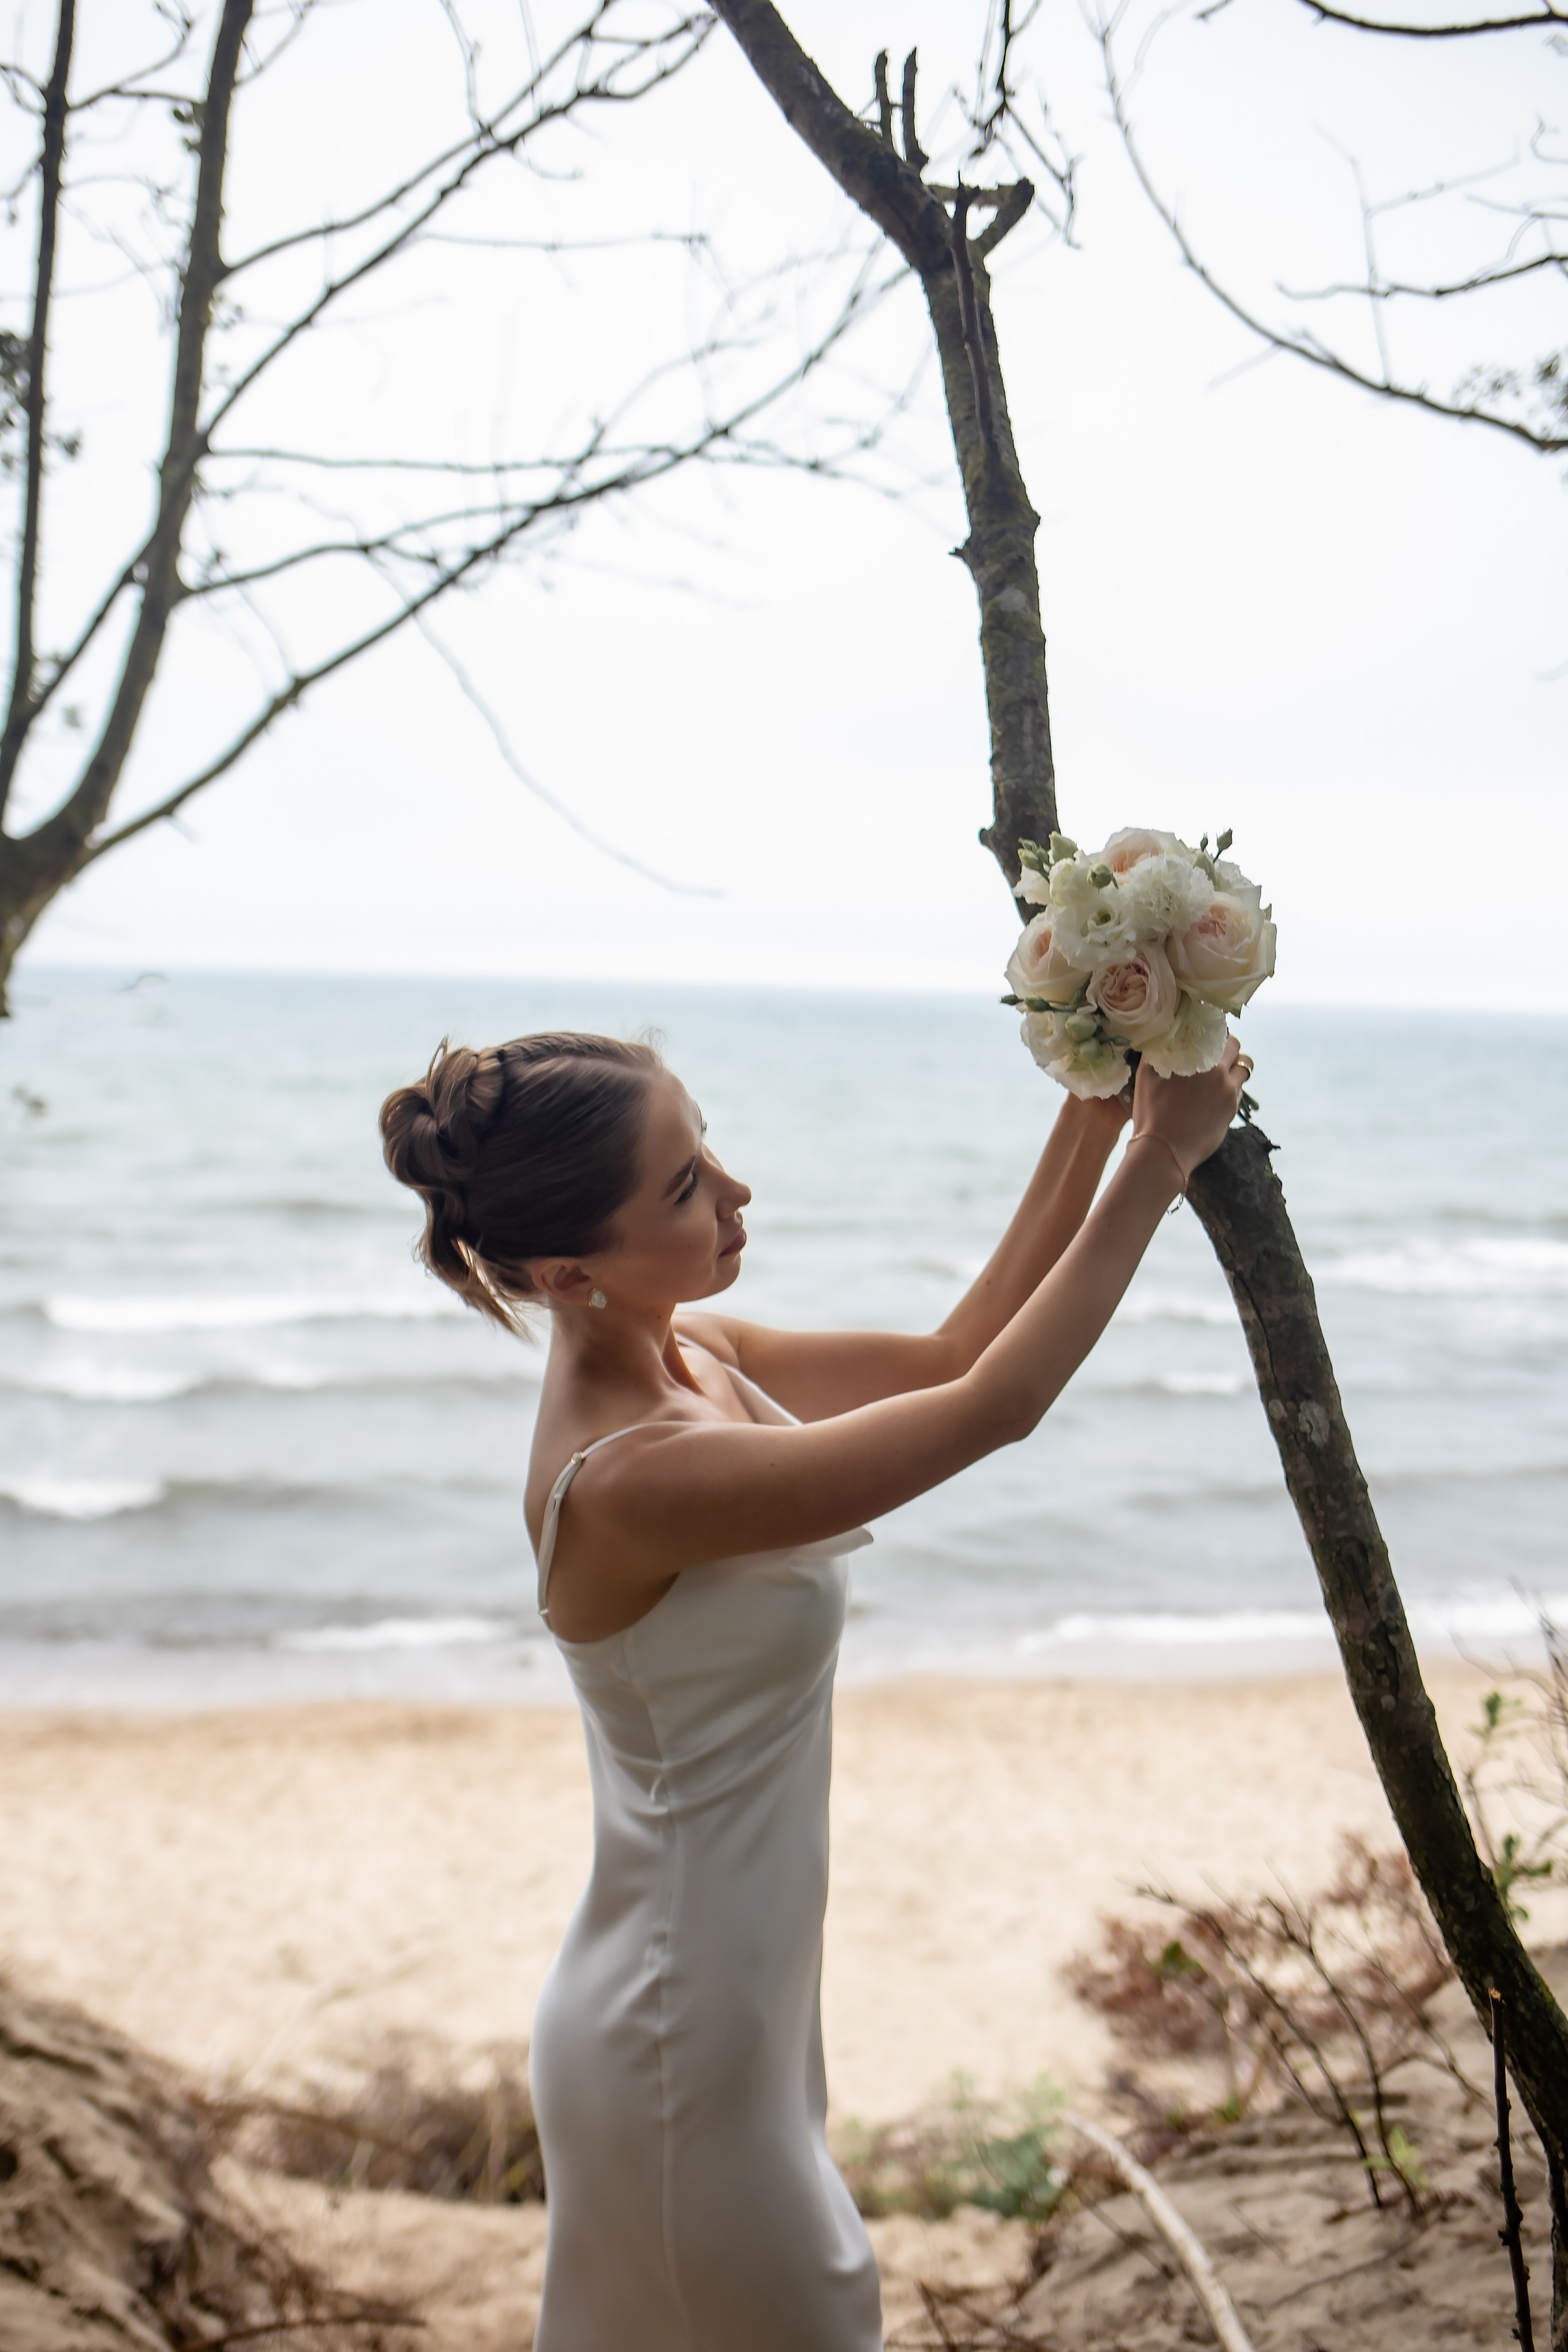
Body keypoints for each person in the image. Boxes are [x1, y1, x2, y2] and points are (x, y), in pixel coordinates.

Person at [379, 1027, 1249, 2352]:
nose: (734, 1193)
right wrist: (1160, 1155)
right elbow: (995, 1411)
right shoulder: (626, 1478)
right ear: (564, 1271)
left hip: (730, 2003)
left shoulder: (695, 1355)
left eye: (706, 1147)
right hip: (677, 2032)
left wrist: (1093, 1099)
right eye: (682, 1187)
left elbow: (958, 1353)